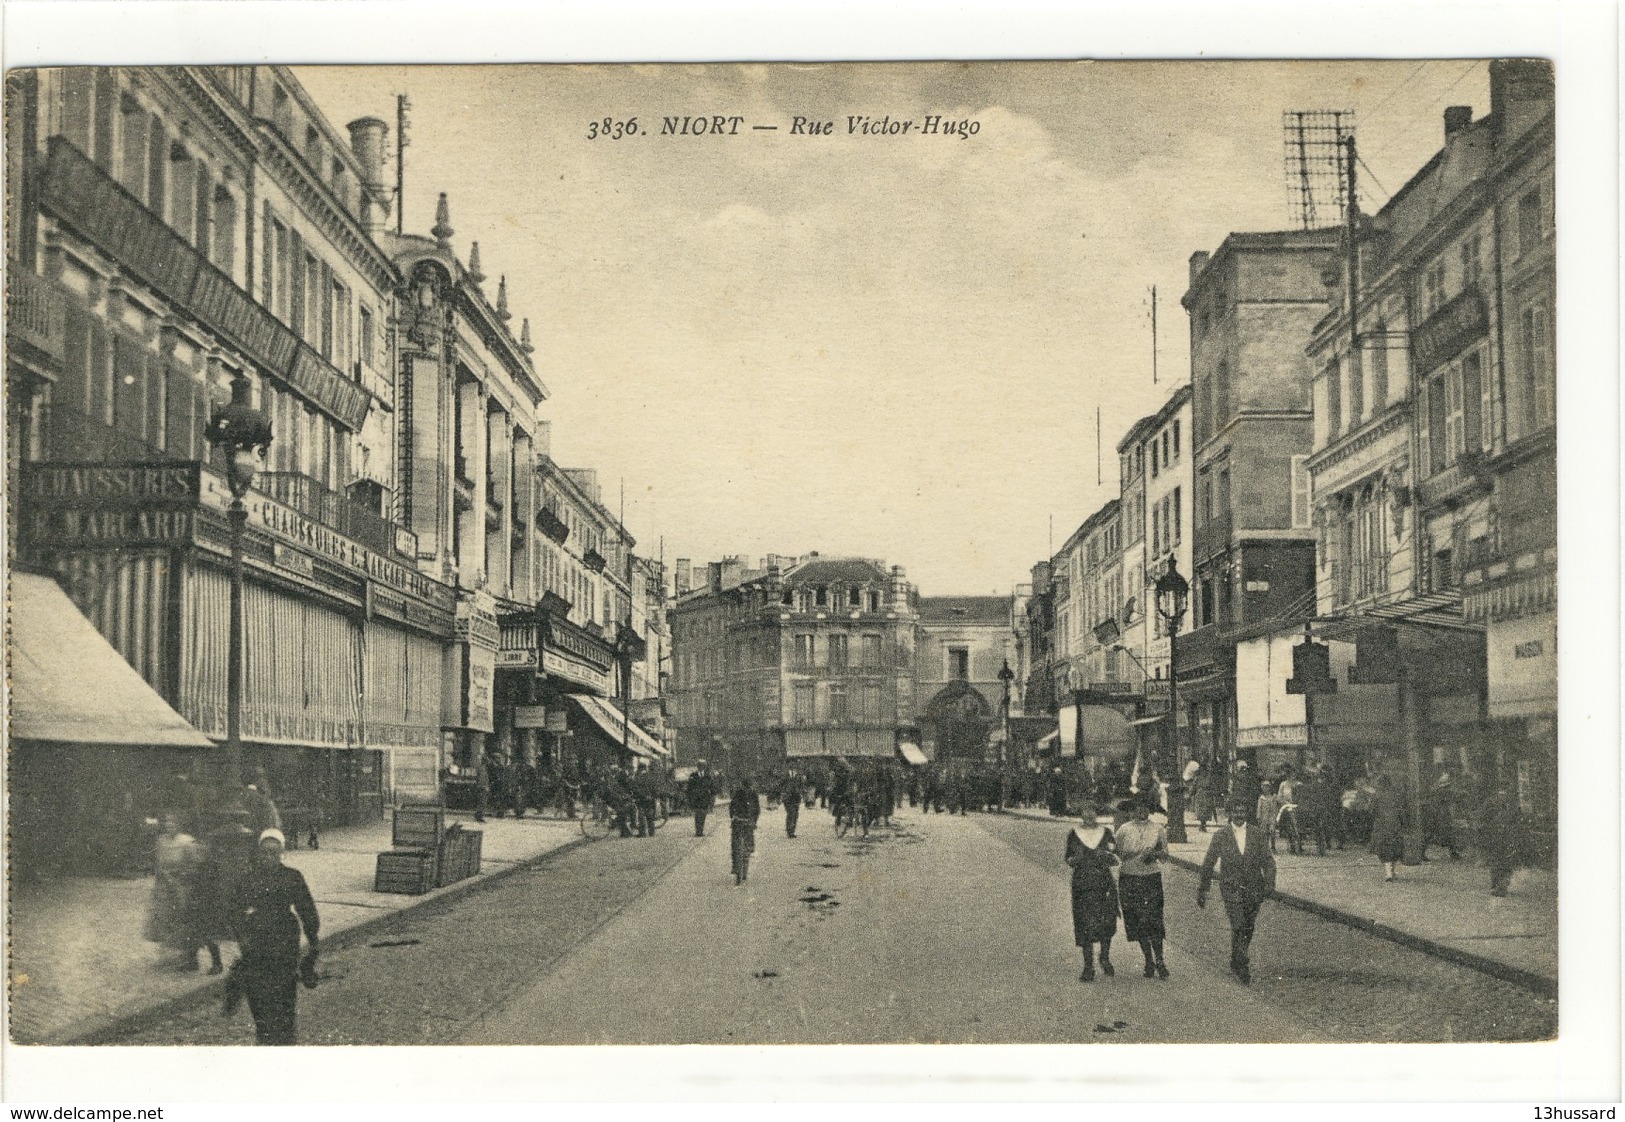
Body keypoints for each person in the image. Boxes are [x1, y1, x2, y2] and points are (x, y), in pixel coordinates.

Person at [226, 828, 319, 1045]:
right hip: (256, 939)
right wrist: (242, 937)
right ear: (258, 853)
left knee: (284, 991)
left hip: (285, 938)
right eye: (265, 852)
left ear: (281, 853)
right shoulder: (248, 878)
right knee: (257, 994)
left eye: (274, 853)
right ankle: (264, 1036)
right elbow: (234, 910)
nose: (269, 857)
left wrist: (313, 938)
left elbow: (306, 908)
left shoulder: (292, 877)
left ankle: (285, 1038)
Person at [1197, 797, 1277, 984]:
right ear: (1230, 813)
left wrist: (1269, 884)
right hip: (1231, 887)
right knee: (1238, 923)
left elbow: (1269, 862)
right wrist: (1203, 888)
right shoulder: (1221, 836)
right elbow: (1209, 863)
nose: (1239, 815)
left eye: (1242, 811)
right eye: (1236, 811)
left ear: (1246, 813)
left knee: (1248, 925)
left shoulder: (1257, 835)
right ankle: (1242, 963)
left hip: (1254, 888)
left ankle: (1236, 957)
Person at [145, 814, 210, 972]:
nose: (169, 825)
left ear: (180, 824)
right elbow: (158, 863)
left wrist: (181, 876)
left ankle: (185, 956)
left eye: (173, 822)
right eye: (167, 822)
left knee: (181, 919)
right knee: (164, 919)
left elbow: (196, 866)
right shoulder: (161, 841)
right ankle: (167, 956)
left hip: (182, 886)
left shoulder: (187, 842)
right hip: (164, 887)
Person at [1115, 795, 1170, 979]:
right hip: (1130, 878)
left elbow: (1164, 856)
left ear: (1149, 809)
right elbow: (1118, 855)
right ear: (1131, 810)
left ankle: (1160, 960)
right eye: (1137, 808)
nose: (1141, 811)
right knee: (1138, 921)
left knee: (1154, 919)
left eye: (1145, 807)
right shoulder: (1123, 830)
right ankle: (1148, 960)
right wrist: (1132, 854)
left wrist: (1153, 854)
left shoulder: (1158, 829)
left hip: (1150, 877)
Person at [1065, 800, 1120, 981]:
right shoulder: (1074, 834)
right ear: (1081, 814)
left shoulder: (1105, 833)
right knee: (1085, 922)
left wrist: (1105, 856)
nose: (1089, 814)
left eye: (1092, 811)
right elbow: (1068, 859)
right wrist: (1076, 858)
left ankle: (1104, 956)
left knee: (1106, 920)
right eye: (1085, 811)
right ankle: (1088, 966)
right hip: (1082, 882)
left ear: (1097, 813)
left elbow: (1116, 858)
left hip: (1103, 881)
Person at [1477, 782, 1522, 897]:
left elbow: (1482, 820)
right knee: (1503, 861)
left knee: (1498, 861)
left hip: (1498, 836)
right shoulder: (1512, 803)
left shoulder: (1492, 802)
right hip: (1502, 837)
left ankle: (1498, 885)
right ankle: (1500, 885)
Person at [1368, 773, 1407, 881]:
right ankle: (1393, 871)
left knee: (1384, 848)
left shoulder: (1376, 795)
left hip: (1382, 824)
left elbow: (1371, 810)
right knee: (1395, 847)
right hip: (1395, 824)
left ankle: (1388, 873)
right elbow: (1402, 809)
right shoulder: (1396, 794)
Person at [1422, 770, 1463, 860]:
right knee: (1445, 832)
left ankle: (1422, 852)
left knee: (1432, 833)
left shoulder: (1437, 791)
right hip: (1441, 814)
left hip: (1437, 814)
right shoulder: (1443, 792)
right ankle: (1453, 852)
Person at [729, 777, 761, 885]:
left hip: (739, 821)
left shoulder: (738, 793)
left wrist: (732, 817)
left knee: (735, 844)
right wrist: (755, 821)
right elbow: (757, 809)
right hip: (746, 821)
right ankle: (745, 860)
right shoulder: (753, 794)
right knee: (746, 843)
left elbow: (732, 806)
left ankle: (735, 866)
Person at [686, 760, 718, 837]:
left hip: (705, 799)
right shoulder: (693, 775)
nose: (701, 768)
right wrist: (689, 799)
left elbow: (712, 787)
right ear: (697, 767)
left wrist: (712, 797)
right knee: (697, 815)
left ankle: (701, 830)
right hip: (696, 799)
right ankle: (698, 831)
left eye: (703, 766)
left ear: (704, 767)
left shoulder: (708, 776)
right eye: (699, 766)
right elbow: (689, 788)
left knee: (703, 815)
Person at [630, 763, 660, 837]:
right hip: (651, 799)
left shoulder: (637, 778)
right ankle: (651, 832)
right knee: (650, 815)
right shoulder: (651, 777)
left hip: (642, 799)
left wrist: (642, 796)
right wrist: (653, 796)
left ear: (639, 769)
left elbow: (636, 789)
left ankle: (643, 833)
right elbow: (655, 788)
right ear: (645, 768)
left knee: (642, 815)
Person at [1256, 782, 1282, 855]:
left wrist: (1278, 814)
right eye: (1264, 787)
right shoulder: (1261, 798)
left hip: (1272, 817)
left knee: (1272, 832)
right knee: (1264, 833)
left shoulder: (1274, 797)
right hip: (1264, 817)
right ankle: (1265, 848)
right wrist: (1258, 817)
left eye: (1267, 787)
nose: (1266, 789)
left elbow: (1279, 803)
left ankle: (1273, 847)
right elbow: (1259, 808)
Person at [778, 770, 805, 838]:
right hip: (787, 797)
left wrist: (801, 792)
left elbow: (802, 785)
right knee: (791, 812)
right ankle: (789, 831)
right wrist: (783, 793)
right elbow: (780, 784)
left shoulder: (798, 775)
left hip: (796, 797)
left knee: (795, 814)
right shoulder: (785, 774)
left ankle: (792, 830)